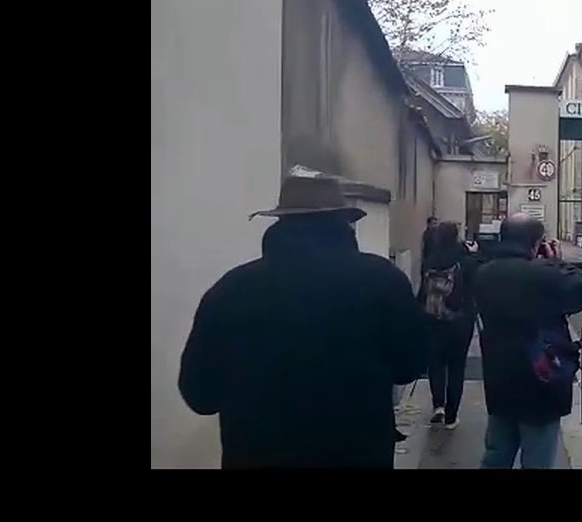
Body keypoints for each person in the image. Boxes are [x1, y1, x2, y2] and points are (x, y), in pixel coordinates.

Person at [177, 174, 428, 469]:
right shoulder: (383, 281)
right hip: (357, 455)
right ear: (343, 224)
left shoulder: (231, 290)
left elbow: (199, 395)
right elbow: (409, 367)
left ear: (280, 223)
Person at [474, 213, 582, 469]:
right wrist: (556, 262)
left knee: (496, 454)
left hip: (499, 380)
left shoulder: (483, 273)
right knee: (537, 458)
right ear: (536, 242)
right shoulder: (543, 275)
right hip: (540, 382)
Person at [419, 221, 482, 429]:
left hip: (433, 318)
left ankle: (438, 405)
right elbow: (474, 287)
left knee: (436, 364)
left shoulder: (430, 260)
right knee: (457, 367)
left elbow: (423, 291)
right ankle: (451, 416)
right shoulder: (465, 259)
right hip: (460, 321)